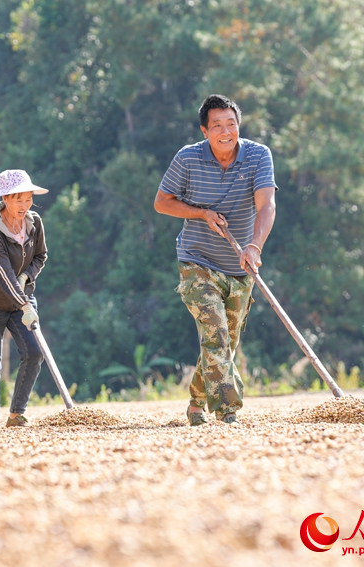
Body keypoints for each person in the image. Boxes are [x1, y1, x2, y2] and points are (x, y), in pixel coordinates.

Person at [154, 94, 277, 426]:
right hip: (197, 260)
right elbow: (162, 202)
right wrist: (201, 213)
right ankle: (227, 411)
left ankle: (197, 401)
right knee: (216, 334)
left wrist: (254, 246)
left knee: (226, 342)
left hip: (240, 264)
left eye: (232, 124)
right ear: (204, 131)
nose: (226, 132)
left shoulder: (257, 155)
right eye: (217, 126)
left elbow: (266, 205)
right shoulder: (188, 158)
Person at [0, 169, 49, 427]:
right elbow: (3, 275)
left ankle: (16, 414)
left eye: (28, 199)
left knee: (35, 352)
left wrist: (27, 276)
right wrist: (25, 303)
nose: (25, 205)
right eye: (18, 200)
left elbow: (40, 256)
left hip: (20, 298)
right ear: (5, 199)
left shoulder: (34, 222)